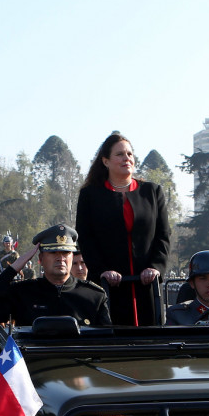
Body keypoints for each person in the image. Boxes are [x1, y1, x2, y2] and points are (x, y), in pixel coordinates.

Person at [75, 132, 171, 326]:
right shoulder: (90, 195)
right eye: (119, 154)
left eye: (129, 154)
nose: (126, 158)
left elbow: (164, 234)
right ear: (106, 161)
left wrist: (155, 267)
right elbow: (85, 237)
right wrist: (102, 270)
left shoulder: (152, 192)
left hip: (146, 285)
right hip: (109, 286)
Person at [0, 223, 111, 327]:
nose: (61, 258)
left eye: (66, 253)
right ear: (41, 259)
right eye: (53, 253)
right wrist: (12, 269)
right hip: (34, 361)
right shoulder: (23, 293)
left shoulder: (94, 296)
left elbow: (107, 343)